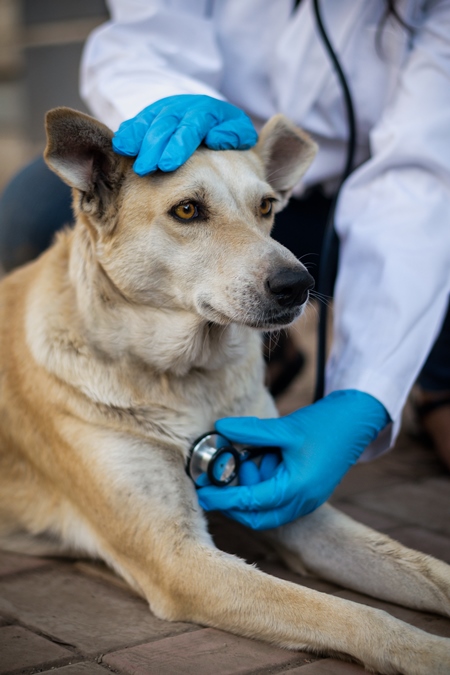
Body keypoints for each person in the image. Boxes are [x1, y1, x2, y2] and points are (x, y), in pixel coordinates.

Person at [1, 0, 450, 529]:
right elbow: (144, 35)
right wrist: (169, 107)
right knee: (30, 213)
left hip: (321, 187)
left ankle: (435, 383)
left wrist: (366, 393)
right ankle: (256, 352)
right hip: (178, 163)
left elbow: (423, 181)